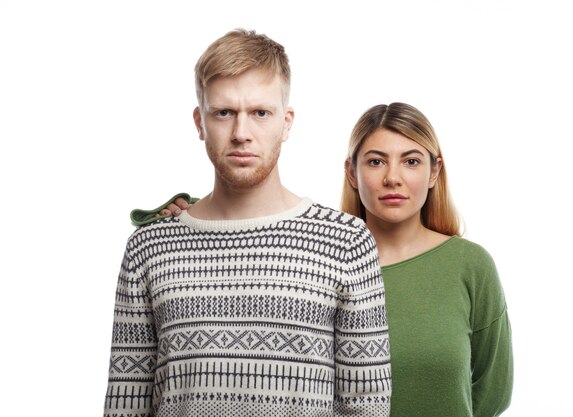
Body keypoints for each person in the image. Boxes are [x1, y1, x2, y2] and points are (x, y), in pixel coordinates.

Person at [150, 102, 514, 416]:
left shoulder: (470, 267)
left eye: (411, 161)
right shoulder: (318, 259)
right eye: (375, 161)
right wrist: (189, 220)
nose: (392, 178)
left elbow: (492, 392)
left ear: (434, 172)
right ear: (351, 173)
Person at [104, 29, 392, 417]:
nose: (241, 133)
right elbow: (125, 403)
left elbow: (368, 405)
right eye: (224, 112)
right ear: (199, 122)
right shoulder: (148, 248)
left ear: (286, 122)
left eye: (260, 113)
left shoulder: (346, 241)